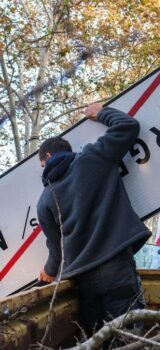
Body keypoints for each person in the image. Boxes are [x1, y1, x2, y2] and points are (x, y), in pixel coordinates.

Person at [37, 103, 151, 340]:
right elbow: (128, 126)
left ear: (47, 157)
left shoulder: (45, 199)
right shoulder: (94, 157)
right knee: (130, 339)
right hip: (116, 266)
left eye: (41, 165)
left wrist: (48, 272)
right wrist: (100, 113)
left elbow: (57, 250)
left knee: (99, 341)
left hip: (83, 280)